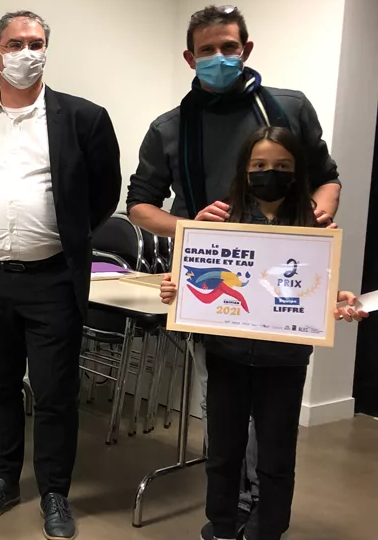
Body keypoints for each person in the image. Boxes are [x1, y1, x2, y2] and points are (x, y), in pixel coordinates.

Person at [126, 5, 341, 538]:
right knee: (222, 419)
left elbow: (328, 177)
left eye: (229, 47)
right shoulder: (169, 128)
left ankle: (263, 516)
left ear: (246, 49)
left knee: (273, 430)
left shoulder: (290, 108)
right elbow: (140, 207)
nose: (219, 58)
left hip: (283, 298)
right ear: (189, 57)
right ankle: (228, 516)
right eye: (207, 50)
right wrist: (192, 231)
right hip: (216, 297)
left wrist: (317, 216)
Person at [0, 10, 121, 540]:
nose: (27, 53)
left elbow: (103, 194)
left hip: (53, 281)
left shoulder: (84, 118)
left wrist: (60, 234)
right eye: (15, 43)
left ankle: (54, 493)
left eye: (36, 43)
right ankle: (3, 478)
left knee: (54, 392)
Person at [157, 126, 366, 540]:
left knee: (276, 455)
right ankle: (221, 524)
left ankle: (267, 529)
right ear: (245, 169)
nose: (271, 173)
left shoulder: (313, 225)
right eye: (260, 165)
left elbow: (310, 288)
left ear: (297, 171)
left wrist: (336, 299)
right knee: (223, 451)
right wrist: (174, 289)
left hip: (284, 360)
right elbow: (199, 279)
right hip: (225, 355)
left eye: (283, 166)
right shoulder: (222, 220)